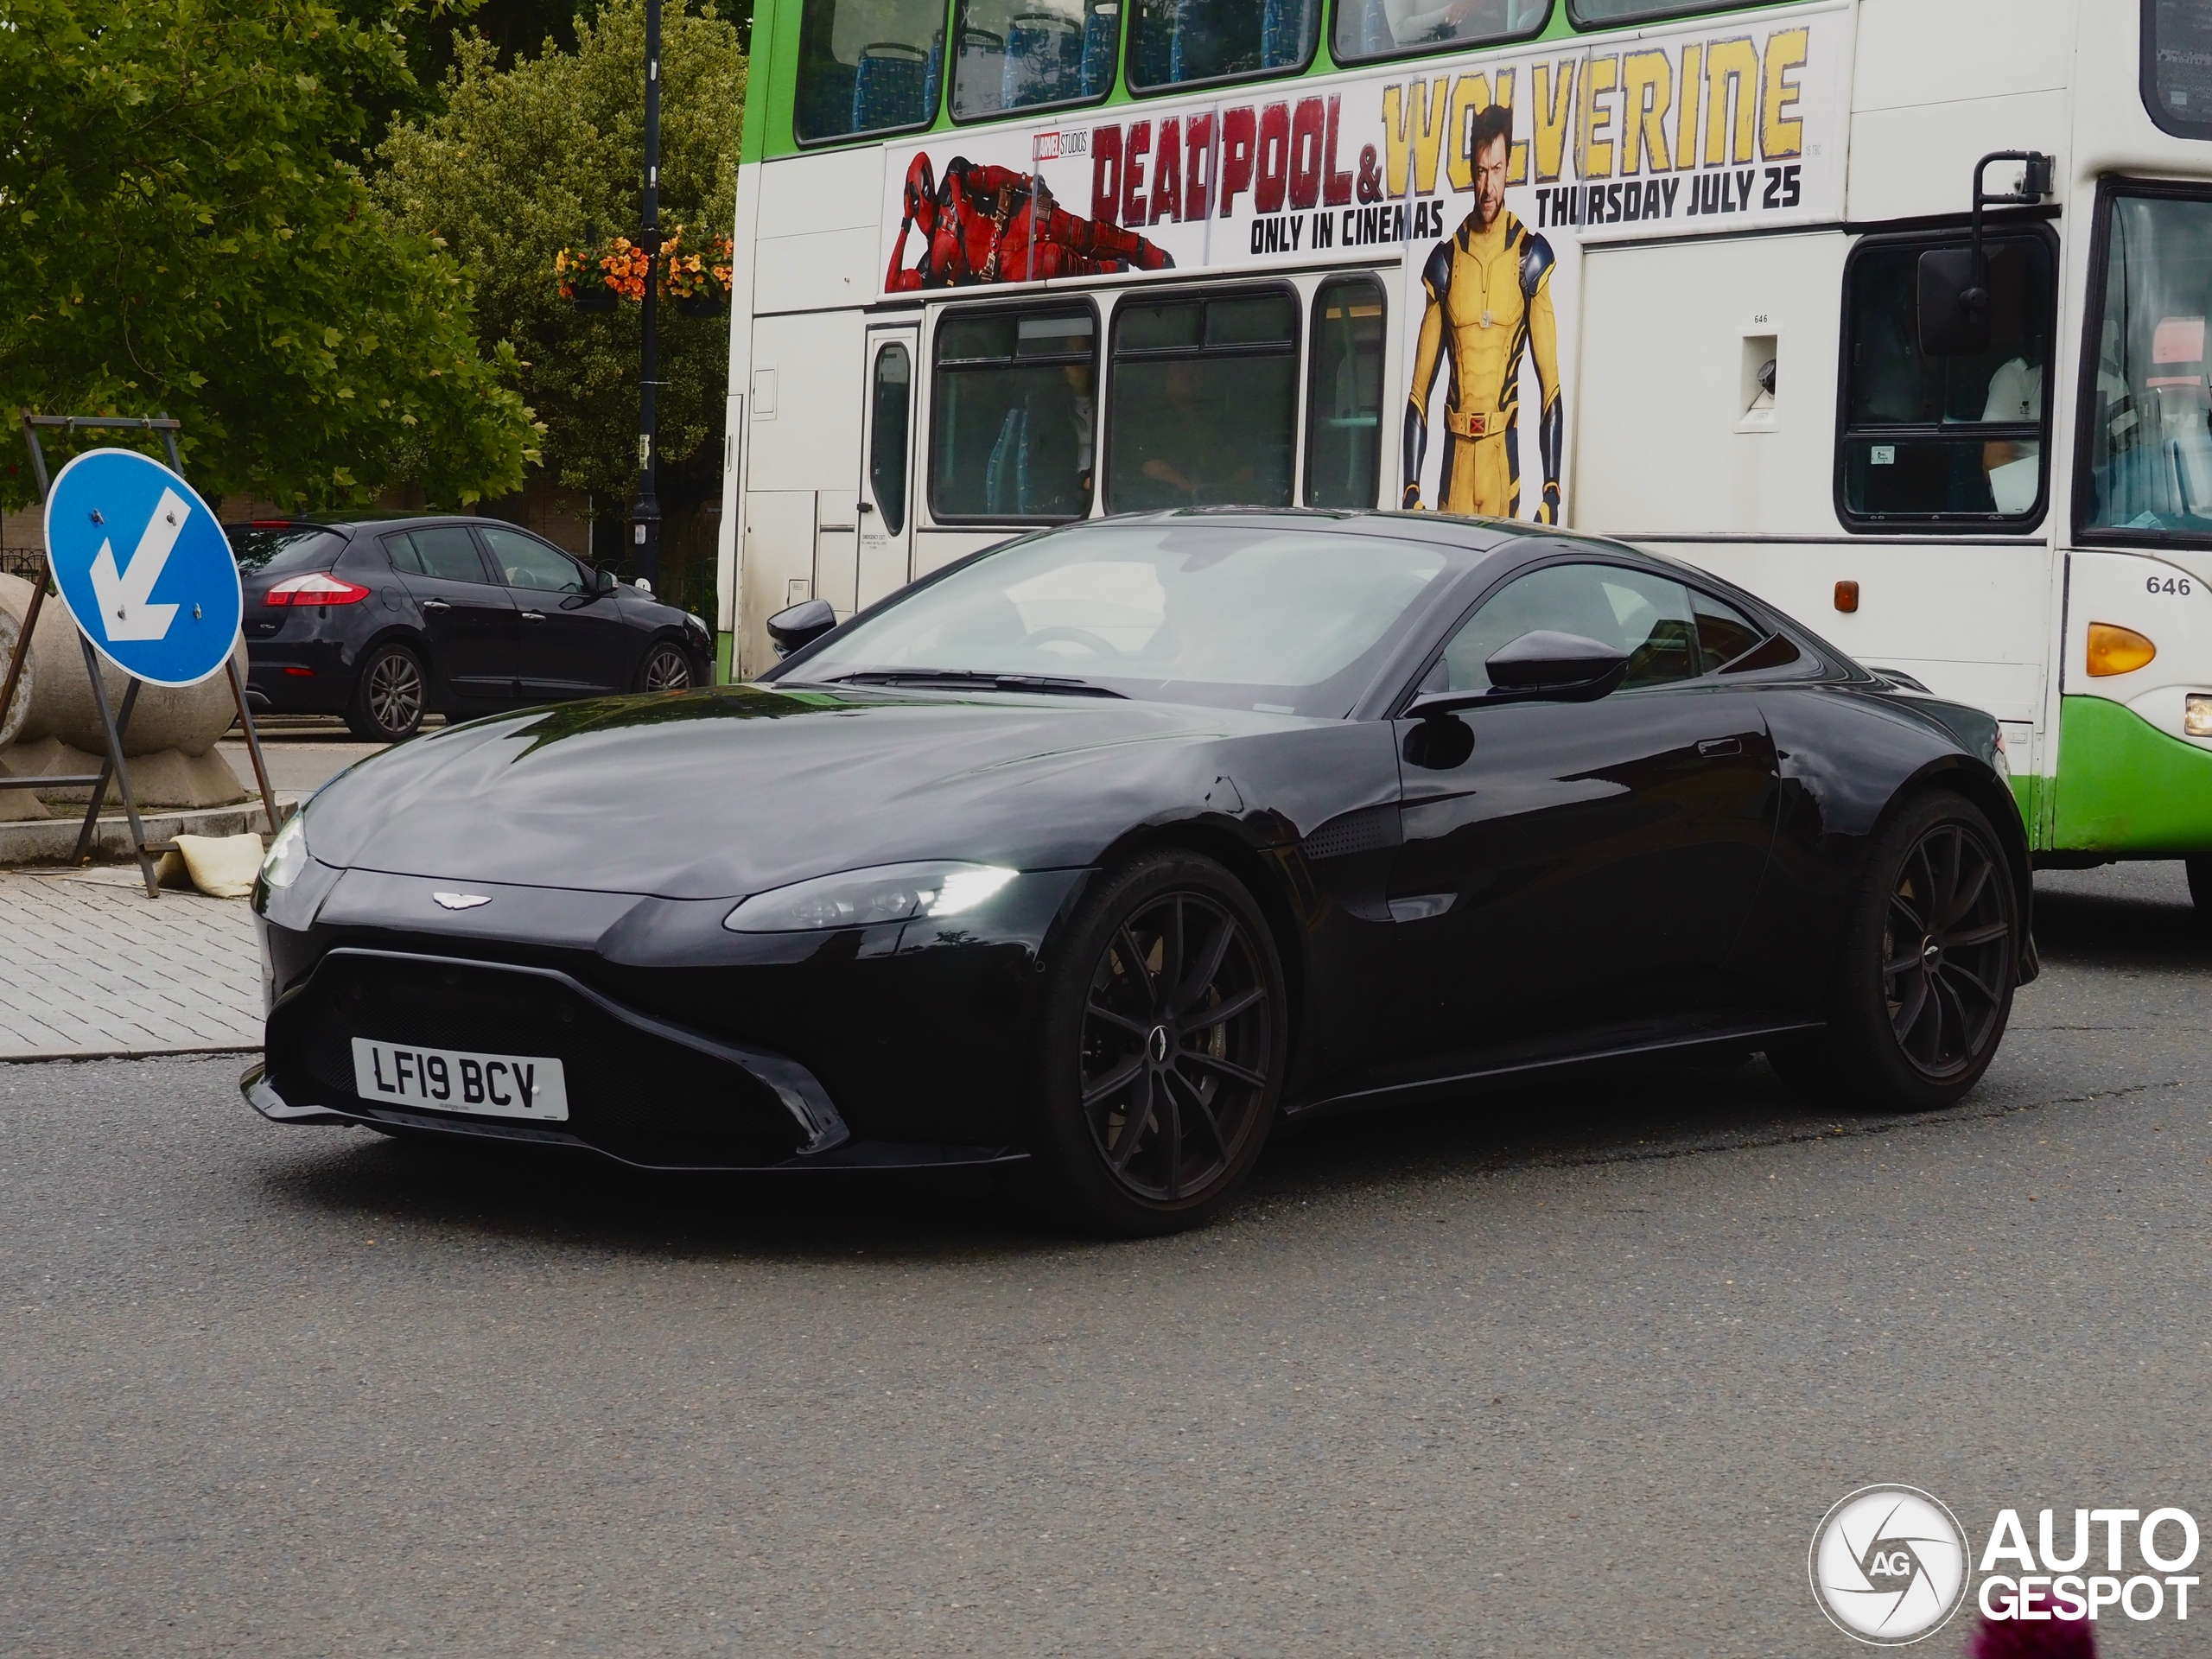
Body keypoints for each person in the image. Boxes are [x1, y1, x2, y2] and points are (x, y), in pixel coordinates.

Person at [1402, 105, 1562, 521]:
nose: (1487, 185)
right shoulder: (1445, 260)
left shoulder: (1530, 256)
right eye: (1479, 171)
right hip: (1453, 463)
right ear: (1471, 172)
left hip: (1500, 463)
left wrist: (1552, 491)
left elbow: (1551, 388)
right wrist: (1410, 488)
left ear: (1509, 167)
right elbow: (1419, 391)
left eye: (1495, 169)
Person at [885, 154, 1174, 291]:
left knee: (1078, 230)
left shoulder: (954, 179)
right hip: (1007, 264)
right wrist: (904, 226)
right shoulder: (929, 268)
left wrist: (1025, 181)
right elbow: (892, 288)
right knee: (1053, 262)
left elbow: (990, 177)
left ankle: (1142, 250)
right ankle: (1110, 271)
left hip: (1016, 217)